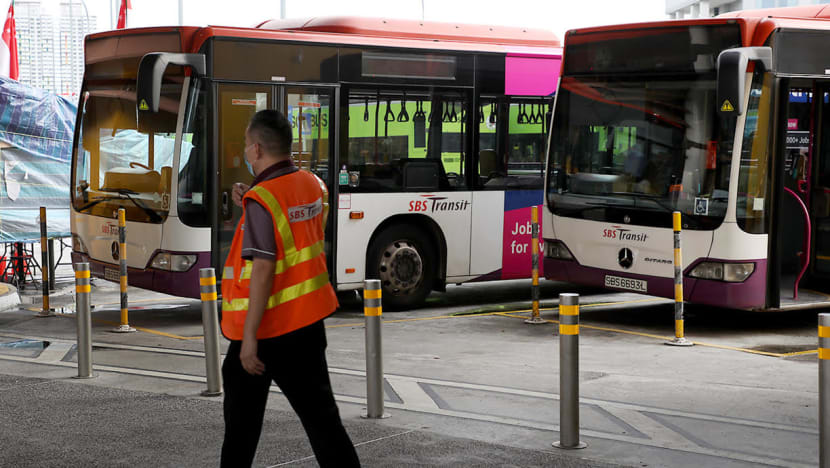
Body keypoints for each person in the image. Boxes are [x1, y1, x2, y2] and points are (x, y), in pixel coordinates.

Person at [220, 110, 360, 468]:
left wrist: (249, 339)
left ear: (255, 149)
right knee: (324, 424)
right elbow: (294, 224)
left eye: (247, 147)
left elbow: (264, 267)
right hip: (308, 325)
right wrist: (253, 199)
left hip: (267, 330)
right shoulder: (313, 184)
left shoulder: (262, 200)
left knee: (241, 430)